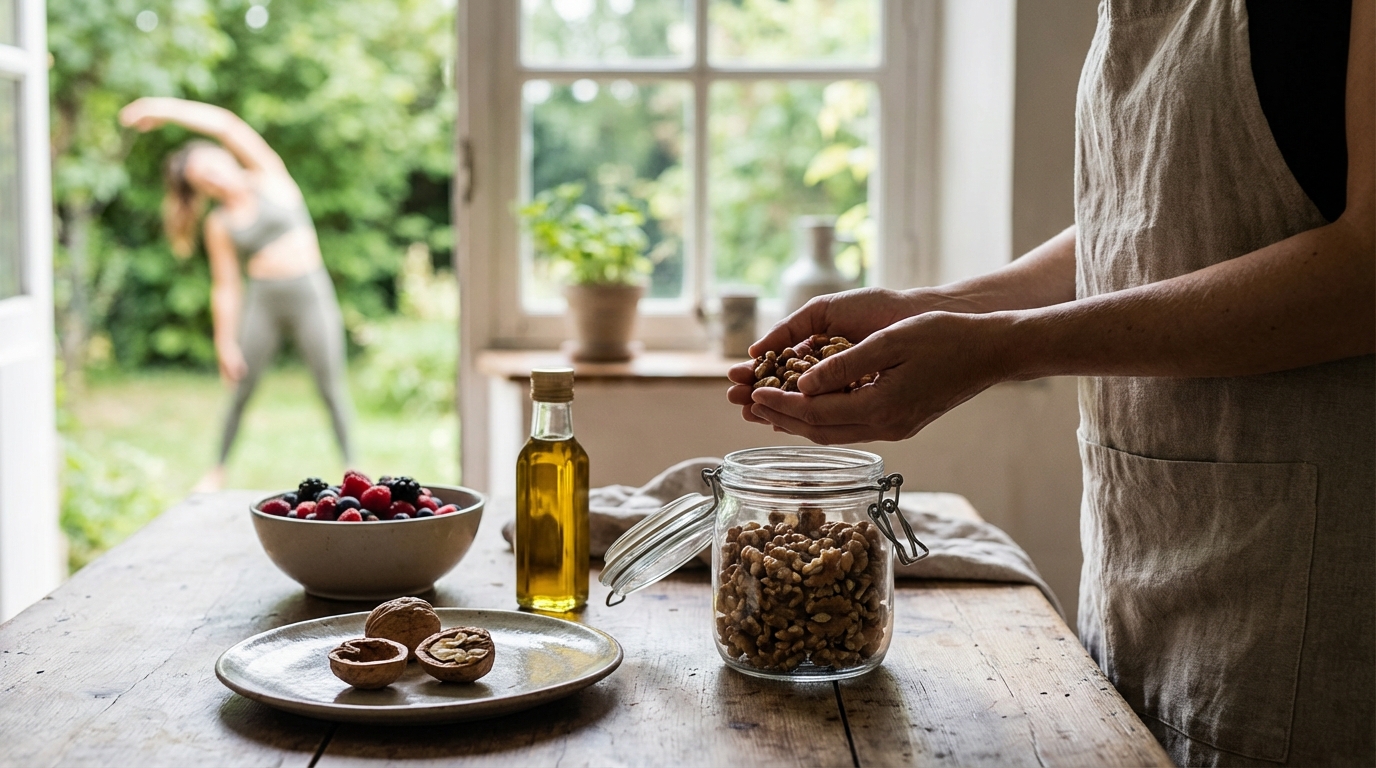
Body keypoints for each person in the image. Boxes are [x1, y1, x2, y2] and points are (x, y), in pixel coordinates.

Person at [729, 1, 1372, 765]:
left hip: (1309, 592)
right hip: (1142, 568)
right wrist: (941, 307)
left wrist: (1001, 348)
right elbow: (1142, 221)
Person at [118, 97, 355, 491]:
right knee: (240, 388)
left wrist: (162, 108)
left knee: (330, 383)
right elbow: (225, 285)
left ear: (224, 157)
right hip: (264, 301)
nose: (212, 179)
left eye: (211, 167)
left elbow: (226, 123)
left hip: (310, 293)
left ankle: (351, 466)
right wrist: (224, 342)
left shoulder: (270, 177)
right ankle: (217, 469)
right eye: (201, 181)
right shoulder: (220, 223)